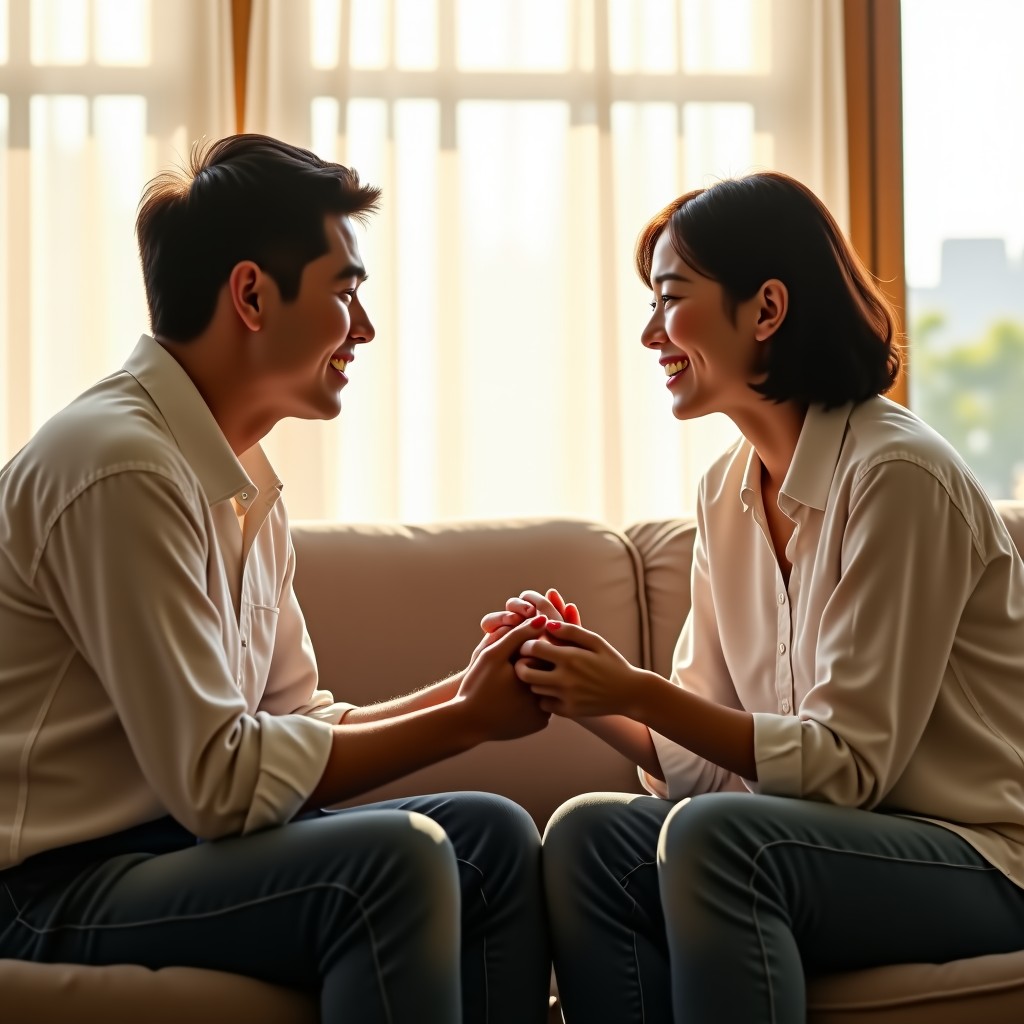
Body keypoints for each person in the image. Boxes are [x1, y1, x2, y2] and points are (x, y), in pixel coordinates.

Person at [0, 134, 553, 1024]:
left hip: (166, 854)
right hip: (50, 888)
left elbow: (292, 727)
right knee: (396, 865)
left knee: (489, 836)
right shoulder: (121, 466)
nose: (364, 328)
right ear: (252, 294)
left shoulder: (240, 472)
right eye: (346, 292)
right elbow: (221, 782)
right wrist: (463, 720)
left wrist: (473, 689)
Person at [483, 172, 1024, 1023]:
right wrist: (578, 685)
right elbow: (705, 762)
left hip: (974, 859)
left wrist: (633, 687)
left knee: (716, 843)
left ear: (766, 310)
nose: (649, 332)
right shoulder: (727, 492)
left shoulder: (897, 477)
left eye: (671, 299)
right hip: (821, 845)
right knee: (590, 836)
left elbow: (846, 768)